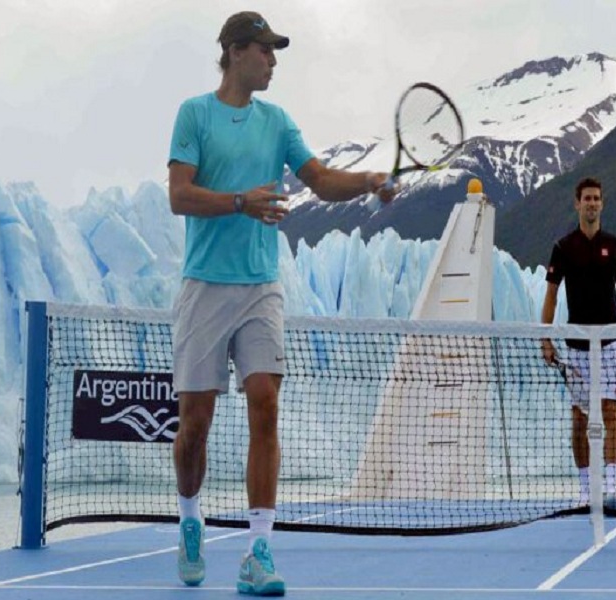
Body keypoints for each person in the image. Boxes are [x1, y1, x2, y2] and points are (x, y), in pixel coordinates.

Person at [167, 11, 395, 596]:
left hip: (261, 285)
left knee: (265, 402)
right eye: (266, 50)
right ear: (236, 51)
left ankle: (258, 551)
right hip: (205, 286)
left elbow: (319, 180)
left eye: (275, 51)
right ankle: (190, 518)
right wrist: (242, 201)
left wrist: (368, 179)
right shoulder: (194, 114)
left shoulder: (279, 121)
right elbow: (180, 195)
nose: (274, 60)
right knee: (194, 425)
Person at [540, 177, 616, 508]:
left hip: (611, 343)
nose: (591, 203)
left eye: (596, 198)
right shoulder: (563, 247)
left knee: (612, 412)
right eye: (586, 198)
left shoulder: (615, 246)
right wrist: (546, 338)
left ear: (602, 204)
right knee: (579, 418)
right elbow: (551, 295)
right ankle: (586, 489)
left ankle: (611, 487)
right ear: (577, 203)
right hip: (577, 346)